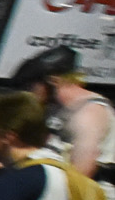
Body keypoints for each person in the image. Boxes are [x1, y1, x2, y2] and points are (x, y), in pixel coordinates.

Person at [27, 46, 110, 179]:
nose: (31, 91)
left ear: (53, 81)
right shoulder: (58, 110)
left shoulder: (89, 113)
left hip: (81, 195)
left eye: (33, 84)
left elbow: (82, 172)